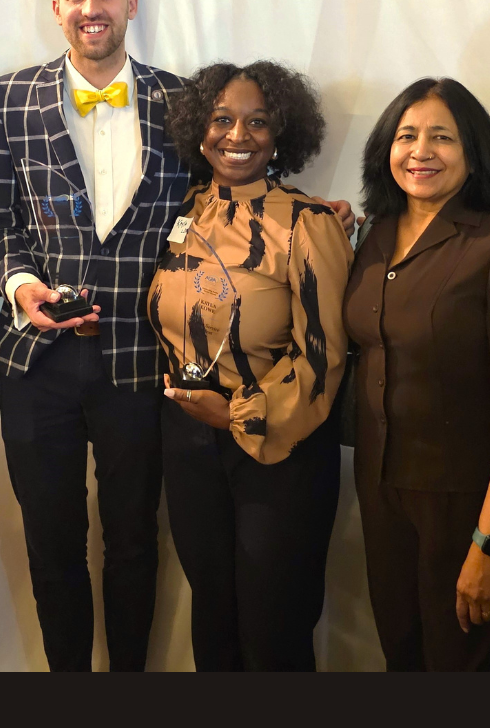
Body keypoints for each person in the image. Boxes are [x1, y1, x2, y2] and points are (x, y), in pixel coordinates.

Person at [0, 0, 354, 671]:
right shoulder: (4, 100)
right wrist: (22, 287)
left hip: (141, 366)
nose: (92, 6)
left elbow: (234, 186)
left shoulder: (182, 100)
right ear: (55, 5)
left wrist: (323, 213)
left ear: (133, 3)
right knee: (51, 545)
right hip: (37, 366)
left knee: (133, 545)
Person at [342, 77, 490, 671]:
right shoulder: (374, 235)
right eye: (406, 135)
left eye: (443, 137)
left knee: (460, 666)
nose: (420, 151)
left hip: (465, 503)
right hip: (381, 488)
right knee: (402, 658)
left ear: (473, 152)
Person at [148, 61, 353, 670]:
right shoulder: (178, 212)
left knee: (274, 627)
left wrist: (238, 412)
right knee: (212, 617)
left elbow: (325, 356)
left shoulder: (308, 222)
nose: (237, 135)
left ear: (282, 133)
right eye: (221, 120)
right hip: (187, 445)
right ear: (198, 129)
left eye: (257, 122)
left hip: (278, 447)